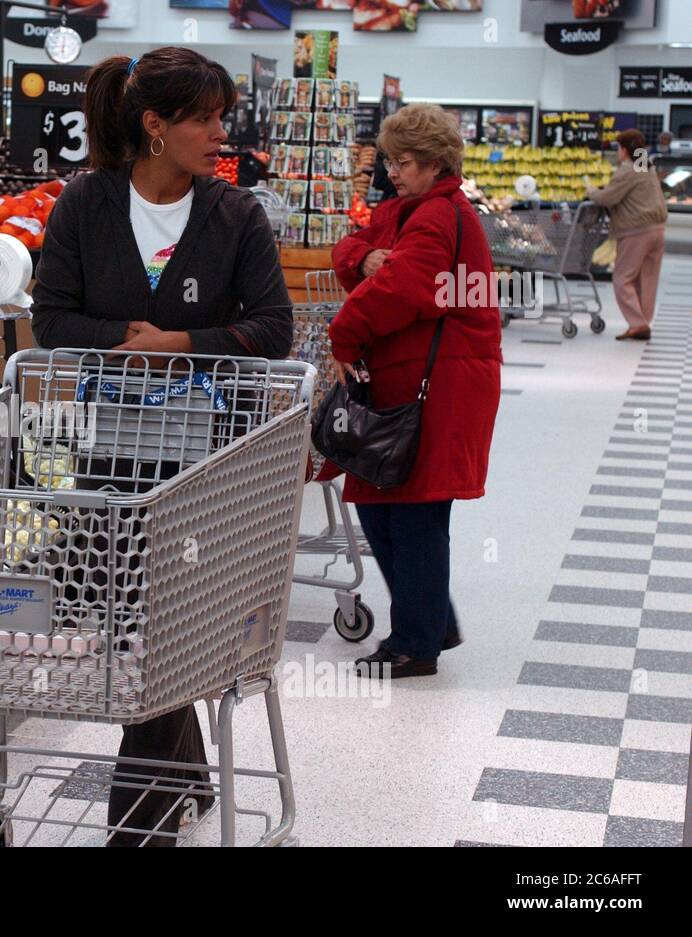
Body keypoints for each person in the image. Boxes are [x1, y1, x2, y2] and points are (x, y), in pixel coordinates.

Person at [31, 46, 292, 845]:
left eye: (221, 117)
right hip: (107, 457)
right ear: (155, 124)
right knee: (133, 630)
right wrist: (124, 342)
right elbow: (52, 318)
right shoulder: (85, 204)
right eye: (205, 118)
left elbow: (274, 329)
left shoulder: (235, 215)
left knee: (166, 631)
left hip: (209, 463)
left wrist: (181, 340)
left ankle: (136, 830)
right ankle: (190, 779)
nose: (221, 133)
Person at [325, 102, 501, 679]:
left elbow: (402, 289)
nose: (392, 173)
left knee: (415, 513)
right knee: (385, 506)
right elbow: (351, 249)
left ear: (434, 164)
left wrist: (344, 335)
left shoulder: (439, 216)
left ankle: (414, 645)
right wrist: (365, 256)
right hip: (416, 384)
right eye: (390, 161)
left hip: (442, 384)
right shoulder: (408, 209)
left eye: (404, 163)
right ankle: (430, 621)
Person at [585, 128, 668, 341]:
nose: (618, 152)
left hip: (636, 230)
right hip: (657, 229)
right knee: (646, 278)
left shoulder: (628, 169)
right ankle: (641, 322)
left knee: (623, 277)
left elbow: (608, 198)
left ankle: (638, 324)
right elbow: (633, 188)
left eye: (619, 148)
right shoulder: (645, 166)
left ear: (624, 149)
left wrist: (590, 190)